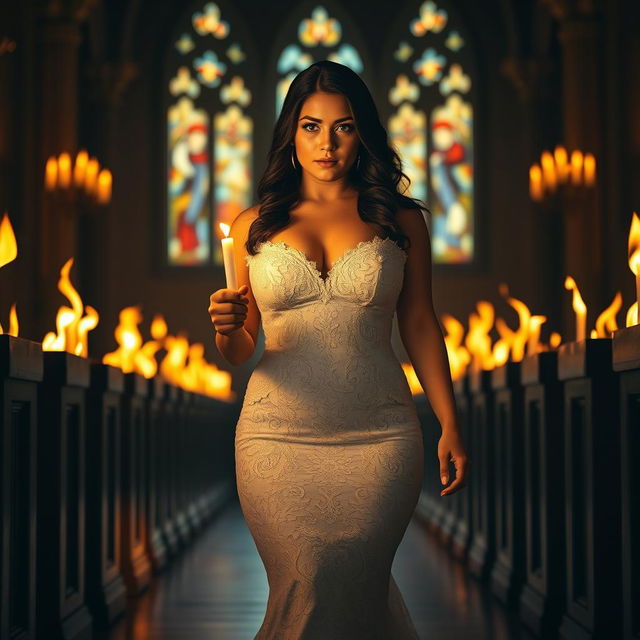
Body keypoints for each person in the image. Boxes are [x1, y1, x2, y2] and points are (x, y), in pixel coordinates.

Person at [208, 60, 469, 639]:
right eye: (310, 126)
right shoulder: (253, 226)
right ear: (291, 134)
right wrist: (227, 327)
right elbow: (238, 350)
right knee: (308, 580)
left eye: (343, 126)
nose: (326, 143)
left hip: (380, 438)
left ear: (363, 133)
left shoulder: (401, 221)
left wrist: (449, 422)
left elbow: (422, 324)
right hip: (275, 437)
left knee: (354, 584)